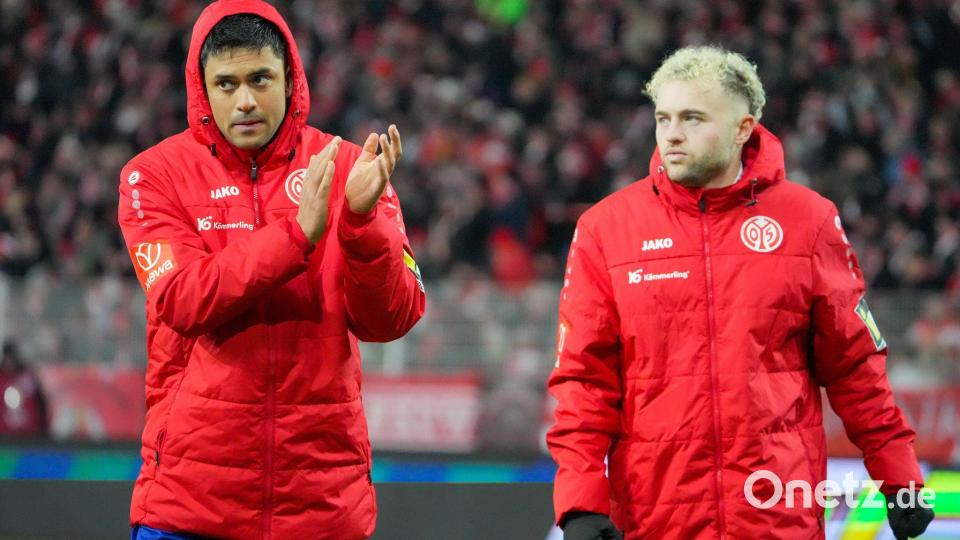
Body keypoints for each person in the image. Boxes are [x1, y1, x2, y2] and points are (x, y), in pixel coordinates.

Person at [546, 46, 934, 539]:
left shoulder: (809, 221)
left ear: (742, 128)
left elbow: (854, 366)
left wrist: (899, 479)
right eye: (663, 118)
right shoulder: (606, 229)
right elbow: (583, 380)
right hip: (654, 521)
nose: (672, 134)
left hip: (778, 520)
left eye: (692, 118)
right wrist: (580, 502)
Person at [116, 2, 425, 539]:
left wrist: (361, 224)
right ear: (202, 89)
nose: (245, 101)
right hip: (189, 508)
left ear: (290, 80)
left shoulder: (349, 167)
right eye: (226, 83)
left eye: (260, 79)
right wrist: (295, 236)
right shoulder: (154, 176)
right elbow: (182, 300)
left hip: (321, 506)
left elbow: (392, 319)